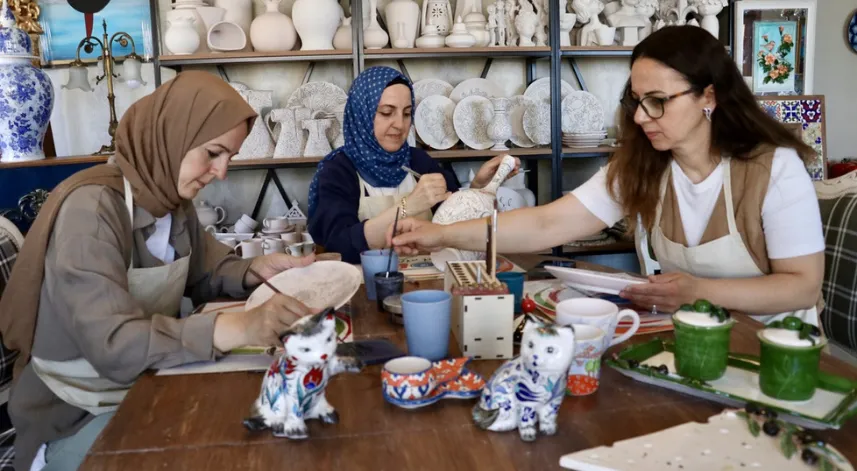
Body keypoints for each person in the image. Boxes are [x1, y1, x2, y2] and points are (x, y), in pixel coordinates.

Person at [390, 25, 825, 326]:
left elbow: (801, 288)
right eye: (635, 100)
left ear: (708, 95)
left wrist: (697, 291)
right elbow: (547, 223)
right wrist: (440, 234)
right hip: (692, 338)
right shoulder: (646, 166)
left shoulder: (774, 168)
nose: (640, 116)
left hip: (776, 350)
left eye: (657, 100)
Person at [0, 72, 318, 471]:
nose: (221, 172)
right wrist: (240, 327)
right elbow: (113, 342)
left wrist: (258, 268)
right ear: (173, 135)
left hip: (138, 389)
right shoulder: (92, 210)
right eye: (213, 153)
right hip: (71, 417)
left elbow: (208, 272)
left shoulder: (170, 201)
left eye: (229, 158)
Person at [307, 66, 519, 264]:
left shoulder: (419, 161)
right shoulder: (338, 170)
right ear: (361, 113)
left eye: (407, 113)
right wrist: (410, 206)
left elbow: (456, 226)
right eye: (386, 112)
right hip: (366, 286)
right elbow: (339, 246)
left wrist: (478, 187)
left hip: (427, 282)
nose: (400, 124)